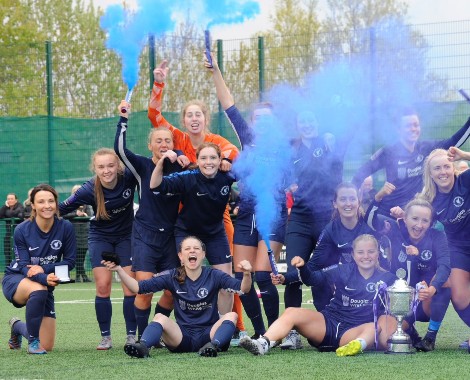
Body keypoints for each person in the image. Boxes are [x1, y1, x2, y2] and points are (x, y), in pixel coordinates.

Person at [149, 59, 246, 341]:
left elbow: (233, 156)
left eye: (198, 115)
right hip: (184, 217)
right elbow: (154, 115)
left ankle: (234, 327)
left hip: (217, 216)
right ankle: (171, 328)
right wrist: (158, 82)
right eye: (189, 115)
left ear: (205, 119)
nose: (194, 119)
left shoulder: (217, 141)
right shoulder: (177, 139)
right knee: (178, 276)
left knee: (226, 274)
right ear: (184, 121)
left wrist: (226, 161)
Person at [207, 54, 287, 340]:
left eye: (269, 119)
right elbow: (227, 104)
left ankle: (278, 332)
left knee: (264, 276)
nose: (263, 123)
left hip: (274, 215)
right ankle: (260, 332)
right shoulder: (248, 139)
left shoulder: (286, 144)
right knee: (244, 277)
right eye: (258, 119)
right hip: (247, 214)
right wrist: (216, 70)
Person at [239, 234, 397, 356]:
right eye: (360, 252)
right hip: (328, 323)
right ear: (354, 255)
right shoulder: (342, 269)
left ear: (378, 254)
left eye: (371, 251)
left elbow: (397, 309)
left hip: (356, 330)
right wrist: (303, 268)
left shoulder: (388, 278)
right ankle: (262, 344)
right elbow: (313, 279)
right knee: (291, 312)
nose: (366, 256)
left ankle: (357, 346)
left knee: (374, 328)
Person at [102, 236, 253, 358]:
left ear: (203, 254)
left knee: (232, 315)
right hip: (182, 337)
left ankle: (213, 347)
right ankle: (143, 346)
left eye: (196, 249)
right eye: (187, 249)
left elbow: (243, 289)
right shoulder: (172, 275)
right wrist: (119, 270)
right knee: (160, 317)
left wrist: (247, 274)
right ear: (181, 256)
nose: (191, 251)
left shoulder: (214, 275)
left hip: (209, 335)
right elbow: (138, 288)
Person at [114, 100, 187, 340]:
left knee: (174, 289)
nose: (164, 144)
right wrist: (123, 119)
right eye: (159, 141)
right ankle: (141, 337)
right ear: (150, 145)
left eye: (168, 141)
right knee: (144, 291)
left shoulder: (178, 169)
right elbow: (120, 150)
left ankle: (156, 331)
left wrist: (180, 155)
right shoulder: (142, 166)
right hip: (145, 235)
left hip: (170, 237)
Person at [59, 148, 138, 350]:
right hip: (101, 237)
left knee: (130, 286)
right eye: (101, 167)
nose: (106, 170)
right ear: (94, 168)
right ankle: (106, 337)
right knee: (103, 285)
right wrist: (39, 212)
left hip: (126, 237)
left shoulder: (128, 177)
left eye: (111, 165)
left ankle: (131, 335)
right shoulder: (88, 189)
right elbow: (62, 208)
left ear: (118, 166)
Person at [150, 142, 236, 314]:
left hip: (215, 234)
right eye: (203, 158)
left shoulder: (228, 175)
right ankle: (182, 326)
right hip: (187, 233)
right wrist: (161, 162)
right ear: (197, 160)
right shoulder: (188, 177)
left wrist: (230, 161)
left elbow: (251, 163)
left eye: (213, 158)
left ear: (220, 160)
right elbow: (155, 185)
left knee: (227, 285)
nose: (208, 162)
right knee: (186, 281)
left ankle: (223, 329)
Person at [367, 193, 451, 351]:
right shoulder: (394, 229)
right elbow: (371, 221)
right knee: (385, 340)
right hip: (398, 302)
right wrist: (377, 198)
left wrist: (432, 289)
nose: (419, 225)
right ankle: (410, 331)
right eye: (414, 218)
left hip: (425, 300)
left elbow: (445, 266)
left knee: (446, 282)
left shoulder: (437, 236)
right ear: (404, 218)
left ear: (431, 223)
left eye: (425, 220)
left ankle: (430, 338)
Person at [352, 107, 470, 218]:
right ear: (398, 129)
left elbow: (454, 142)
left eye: (416, 125)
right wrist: (354, 201)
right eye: (408, 126)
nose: (413, 129)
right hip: (390, 214)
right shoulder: (388, 152)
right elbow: (361, 173)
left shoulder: (426, 148)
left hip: (414, 215)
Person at [3, 184, 76, 354]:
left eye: (51, 201)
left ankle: (17, 326)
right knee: (39, 288)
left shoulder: (66, 227)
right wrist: (45, 278)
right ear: (33, 205)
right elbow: (23, 267)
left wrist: (44, 269)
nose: (47, 205)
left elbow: (70, 261)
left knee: (48, 345)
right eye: (41, 201)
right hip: (16, 279)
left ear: (56, 204)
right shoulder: (21, 230)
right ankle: (33, 344)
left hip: (44, 281)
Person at [289, 182, 379, 314]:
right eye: (343, 199)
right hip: (340, 284)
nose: (348, 204)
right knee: (321, 279)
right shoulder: (330, 229)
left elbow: (383, 265)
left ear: (359, 201)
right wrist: (285, 278)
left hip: (366, 287)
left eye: (352, 199)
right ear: (335, 203)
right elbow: (314, 265)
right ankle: (327, 317)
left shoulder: (369, 226)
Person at [420, 147, 470, 352]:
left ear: (453, 167)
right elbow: (416, 221)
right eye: (437, 168)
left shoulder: (464, 181)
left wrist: (465, 156)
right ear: (430, 174)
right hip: (458, 248)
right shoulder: (428, 200)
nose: (443, 172)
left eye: (446, 166)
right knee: (458, 296)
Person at [62, 184, 93, 283]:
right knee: (76, 256)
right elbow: (64, 214)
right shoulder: (69, 203)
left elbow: (90, 214)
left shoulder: (87, 203)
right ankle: (82, 276)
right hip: (73, 232)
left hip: (84, 232)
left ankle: (80, 277)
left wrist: (84, 214)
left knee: (82, 256)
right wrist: (76, 214)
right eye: (75, 190)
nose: (77, 192)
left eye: (79, 190)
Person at [0, 193, 25, 266]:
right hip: (8, 234)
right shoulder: (5, 208)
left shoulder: (20, 206)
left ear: (16, 200)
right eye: (8, 199)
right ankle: (8, 270)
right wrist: (5, 207)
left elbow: (18, 214)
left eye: (12, 199)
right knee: (7, 252)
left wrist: (8, 213)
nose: (10, 200)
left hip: (18, 234)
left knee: (17, 253)